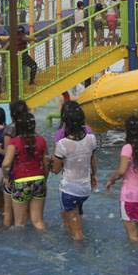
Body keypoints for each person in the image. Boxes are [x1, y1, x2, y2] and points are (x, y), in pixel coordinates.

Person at [105, 116, 138, 243]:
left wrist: (111, 179)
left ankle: (137, 260)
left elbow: (122, 171)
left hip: (130, 196)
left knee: (133, 237)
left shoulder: (127, 148)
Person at [52, 102, 97, 241]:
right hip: (85, 189)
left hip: (69, 190)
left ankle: (78, 252)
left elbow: (56, 170)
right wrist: (93, 176)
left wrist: (49, 162)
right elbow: (92, 160)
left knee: (76, 232)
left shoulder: (62, 144)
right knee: (76, 215)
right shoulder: (91, 138)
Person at [2, 111, 48, 229]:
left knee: (19, 223)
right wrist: (44, 179)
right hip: (39, 180)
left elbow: (6, 164)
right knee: (38, 221)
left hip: (21, 182)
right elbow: (46, 164)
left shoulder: (15, 142)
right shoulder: (41, 140)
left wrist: (6, 177)